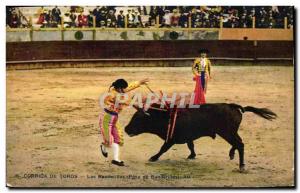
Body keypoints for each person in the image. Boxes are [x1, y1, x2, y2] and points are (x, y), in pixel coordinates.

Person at [99, 78, 149, 166]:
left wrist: (139, 82)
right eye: (122, 89)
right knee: (110, 140)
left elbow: (128, 87)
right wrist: (138, 106)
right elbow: (124, 101)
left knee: (118, 139)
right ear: (118, 88)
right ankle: (104, 146)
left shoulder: (119, 90)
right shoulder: (112, 94)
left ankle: (116, 159)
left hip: (114, 118)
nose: (123, 90)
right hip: (106, 118)